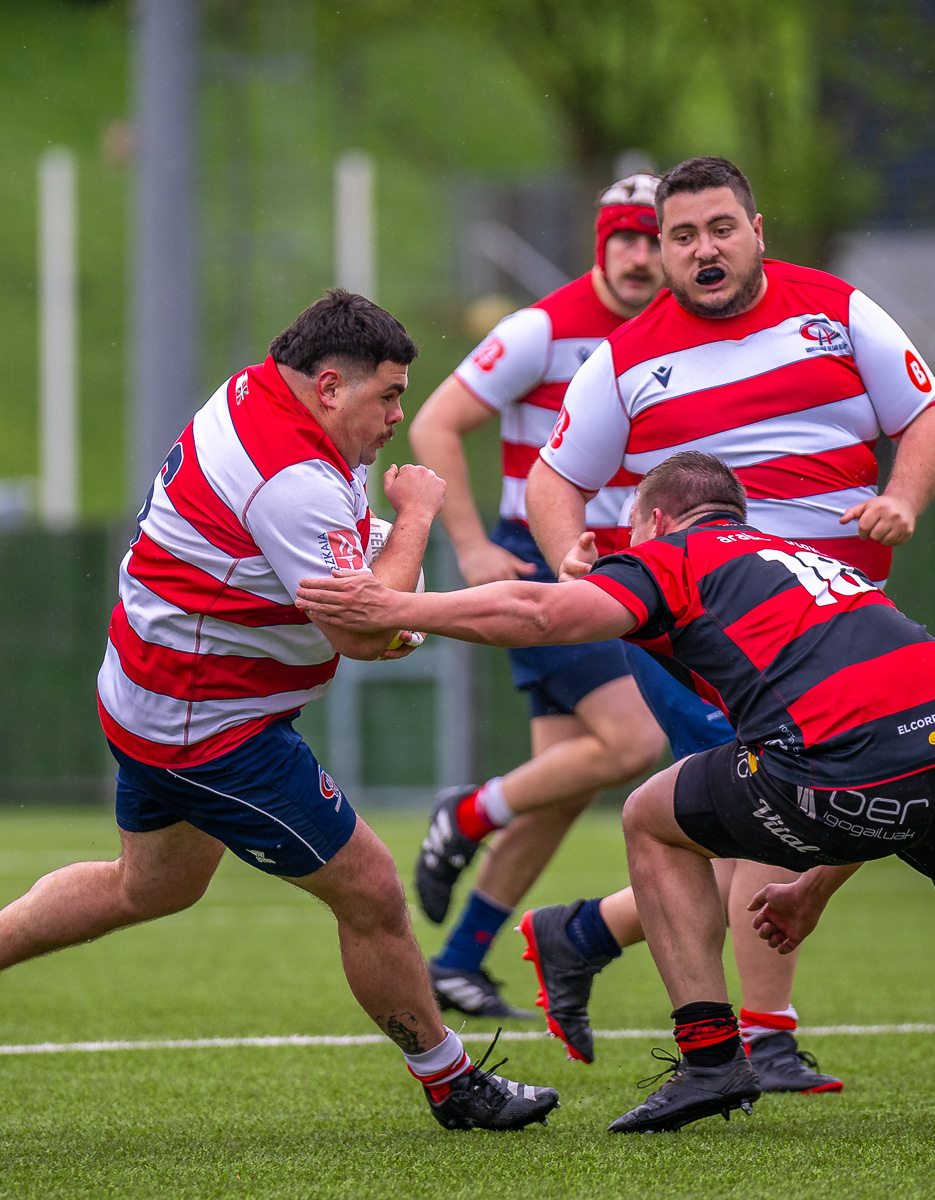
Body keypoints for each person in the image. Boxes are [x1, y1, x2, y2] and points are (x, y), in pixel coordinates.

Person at [297, 450, 935, 1132]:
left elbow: (540, 611)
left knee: (651, 817)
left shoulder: (674, 557)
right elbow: (881, 736)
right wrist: (812, 885)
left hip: (849, 761)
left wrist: (398, 607)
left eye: (632, 531)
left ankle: (711, 1060)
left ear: (657, 520)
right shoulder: (806, 565)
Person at [0, 291, 559, 1131]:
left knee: (148, 885)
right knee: (373, 892)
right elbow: (360, 632)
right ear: (329, 385)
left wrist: (384, 566)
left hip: (152, 692)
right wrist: (417, 517)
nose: (397, 417)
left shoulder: (258, 393)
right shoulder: (291, 476)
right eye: (389, 397)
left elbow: (323, 552)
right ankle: (452, 1082)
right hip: (210, 729)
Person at [517, 155, 935, 1086]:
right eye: (682, 236)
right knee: (776, 797)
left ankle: (582, 935)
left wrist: (903, 498)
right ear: (663, 251)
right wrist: (567, 553)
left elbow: (931, 418)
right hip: (704, 639)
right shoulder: (628, 356)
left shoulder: (837, 311)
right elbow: (552, 479)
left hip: (837, 626)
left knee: (756, 816)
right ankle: (763, 1035)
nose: (703, 249)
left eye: (720, 228)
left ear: (756, 232)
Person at [403, 174, 666, 1021]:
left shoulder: (675, 332)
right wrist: (474, 548)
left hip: (628, 572)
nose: (641, 255)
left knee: (563, 787)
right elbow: (434, 423)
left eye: (654, 238)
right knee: (635, 742)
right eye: (626, 238)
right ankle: (467, 812)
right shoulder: (542, 329)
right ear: (600, 244)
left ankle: (457, 963)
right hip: (550, 568)